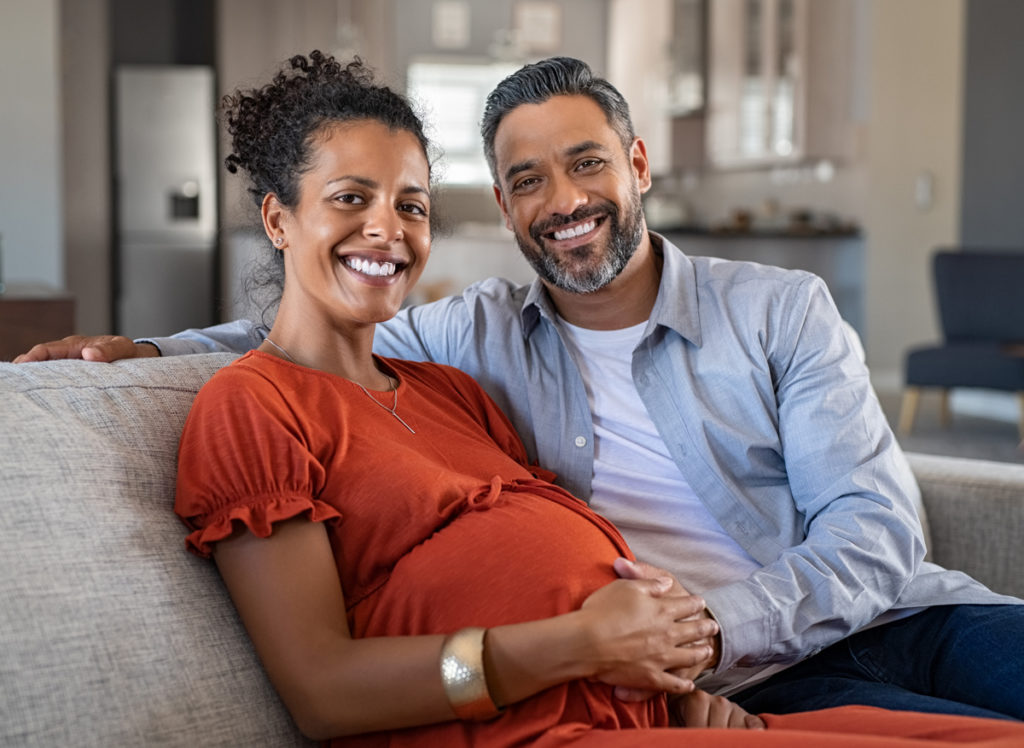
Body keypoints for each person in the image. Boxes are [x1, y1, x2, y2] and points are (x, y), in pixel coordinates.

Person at [17, 57, 1024, 722]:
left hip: (896, 620)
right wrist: (146, 351)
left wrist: (715, 625)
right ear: (503, 205)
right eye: (529, 180)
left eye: (587, 163)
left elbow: (874, 531)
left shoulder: (777, 310)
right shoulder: (471, 333)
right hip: (744, 691)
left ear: (635, 166)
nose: (566, 201)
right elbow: (314, 322)